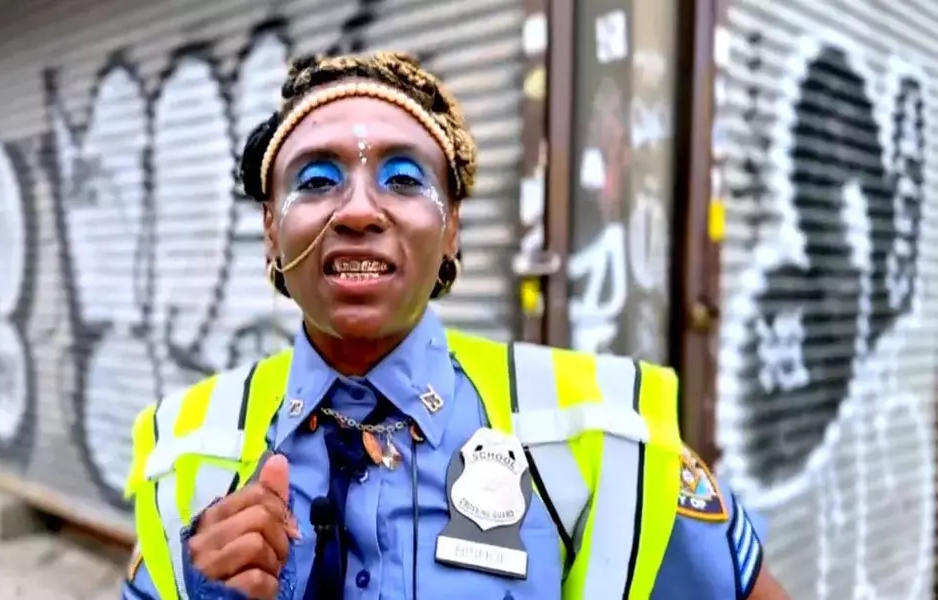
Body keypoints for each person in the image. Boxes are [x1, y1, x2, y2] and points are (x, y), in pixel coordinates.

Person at [119, 51, 789, 600]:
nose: (357, 211)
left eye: (404, 179)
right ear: (271, 230)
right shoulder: (191, 450)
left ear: (450, 230)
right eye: (317, 179)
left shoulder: (601, 432)